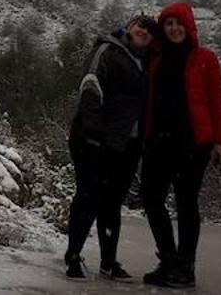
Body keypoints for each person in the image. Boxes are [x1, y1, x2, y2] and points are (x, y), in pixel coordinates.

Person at [139, 0, 221, 289]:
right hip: (158, 141)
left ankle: (186, 268)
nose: (174, 28)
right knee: (152, 198)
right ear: (162, 28)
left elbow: (217, 101)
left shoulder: (205, 58)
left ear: (189, 27)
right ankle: (169, 260)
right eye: (168, 23)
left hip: (193, 143)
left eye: (179, 23)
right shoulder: (155, 58)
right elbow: (131, 36)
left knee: (186, 203)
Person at [63, 14, 159, 281]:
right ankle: (72, 256)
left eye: (151, 31)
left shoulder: (148, 63)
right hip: (94, 139)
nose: (145, 32)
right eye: (141, 26)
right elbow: (90, 85)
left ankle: (108, 262)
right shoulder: (108, 50)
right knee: (88, 196)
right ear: (129, 26)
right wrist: (93, 132)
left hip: (126, 145)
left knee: (112, 202)